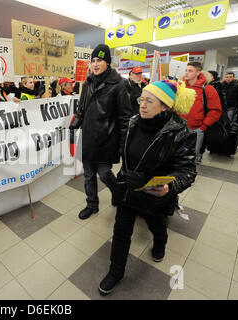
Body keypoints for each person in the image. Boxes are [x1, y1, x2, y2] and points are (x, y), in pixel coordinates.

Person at [99, 80, 197, 294]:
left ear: (165, 106)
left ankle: (160, 242)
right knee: (121, 231)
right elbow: (125, 153)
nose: (142, 105)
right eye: (141, 99)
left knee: (157, 226)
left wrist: (169, 187)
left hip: (156, 194)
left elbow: (187, 170)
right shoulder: (134, 121)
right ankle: (116, 271)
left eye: (149, 101)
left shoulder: (180, 133)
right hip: (128, 187)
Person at [69, 44, 131, 220]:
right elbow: (81, 109)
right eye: (93, 61)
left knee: (104, 174)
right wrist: (73, 125)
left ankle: (118, 192)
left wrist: (123, 144)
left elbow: (124, 118)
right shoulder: (87, 83)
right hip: (88, 138)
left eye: (100, 60)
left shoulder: (119, 85)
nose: (95, 64)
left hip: (107, 140)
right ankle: (92, 204)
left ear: (108, 63)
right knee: (88, 175)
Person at [181, 62, 221, 163]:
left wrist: (204, 126)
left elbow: (215, 110)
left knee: (193, 158)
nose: (186, 73)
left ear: (198, 72)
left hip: (196, 128)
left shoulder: (207, 89)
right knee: (178, 156)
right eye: (186, 70)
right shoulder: (180, 87)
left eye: (190, 71)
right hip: (180, 127)